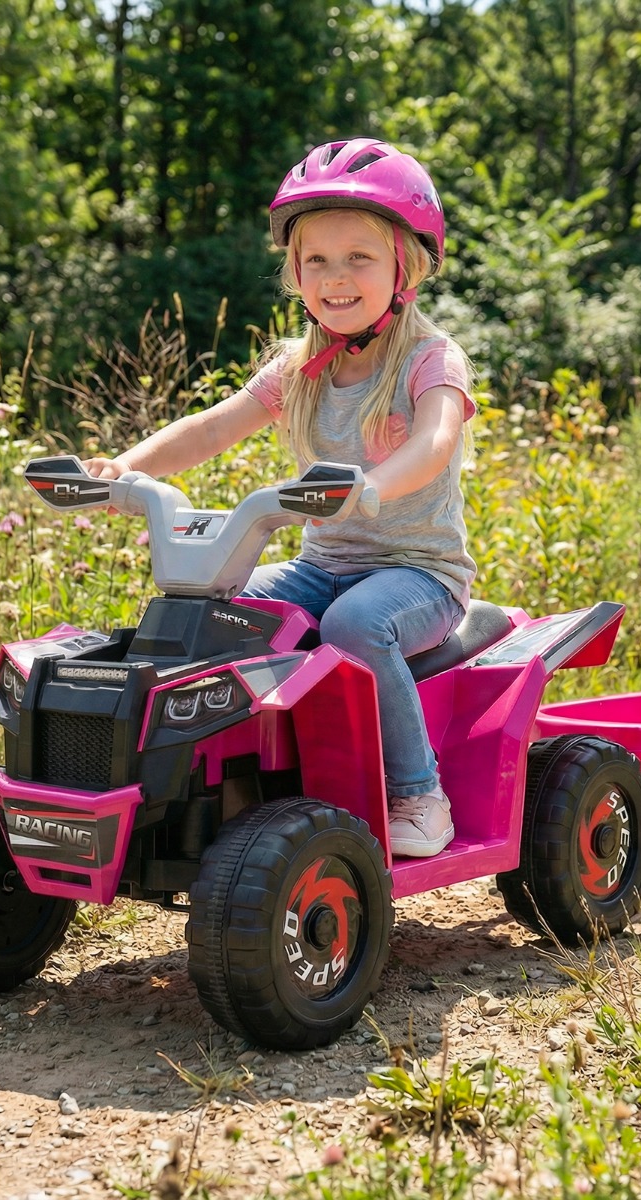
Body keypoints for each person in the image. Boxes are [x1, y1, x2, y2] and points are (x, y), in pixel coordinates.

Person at [83, 138, 476, 858]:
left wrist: (372, 486)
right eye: (316, 259)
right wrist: (123, 467)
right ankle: (217, 786)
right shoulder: (298, 367)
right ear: (295, 271)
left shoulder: (428, 358)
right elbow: (212, 427)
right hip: (322, 566)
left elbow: (435, 440)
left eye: (359, 257)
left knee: (356, 624)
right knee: (212, 608)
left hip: (419, 574)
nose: (336, 276)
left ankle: (419, 791)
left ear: (406, 267)